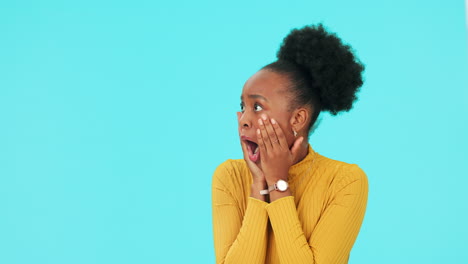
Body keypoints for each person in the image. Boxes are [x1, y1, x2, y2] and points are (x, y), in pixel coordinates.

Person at [211, 24, 368, 264]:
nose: (243, 120)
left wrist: (278, 184)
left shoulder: (345, 181)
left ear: (297, 119)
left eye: (258, 107)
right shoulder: (229, 176)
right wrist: (259, 187)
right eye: (243, 107)